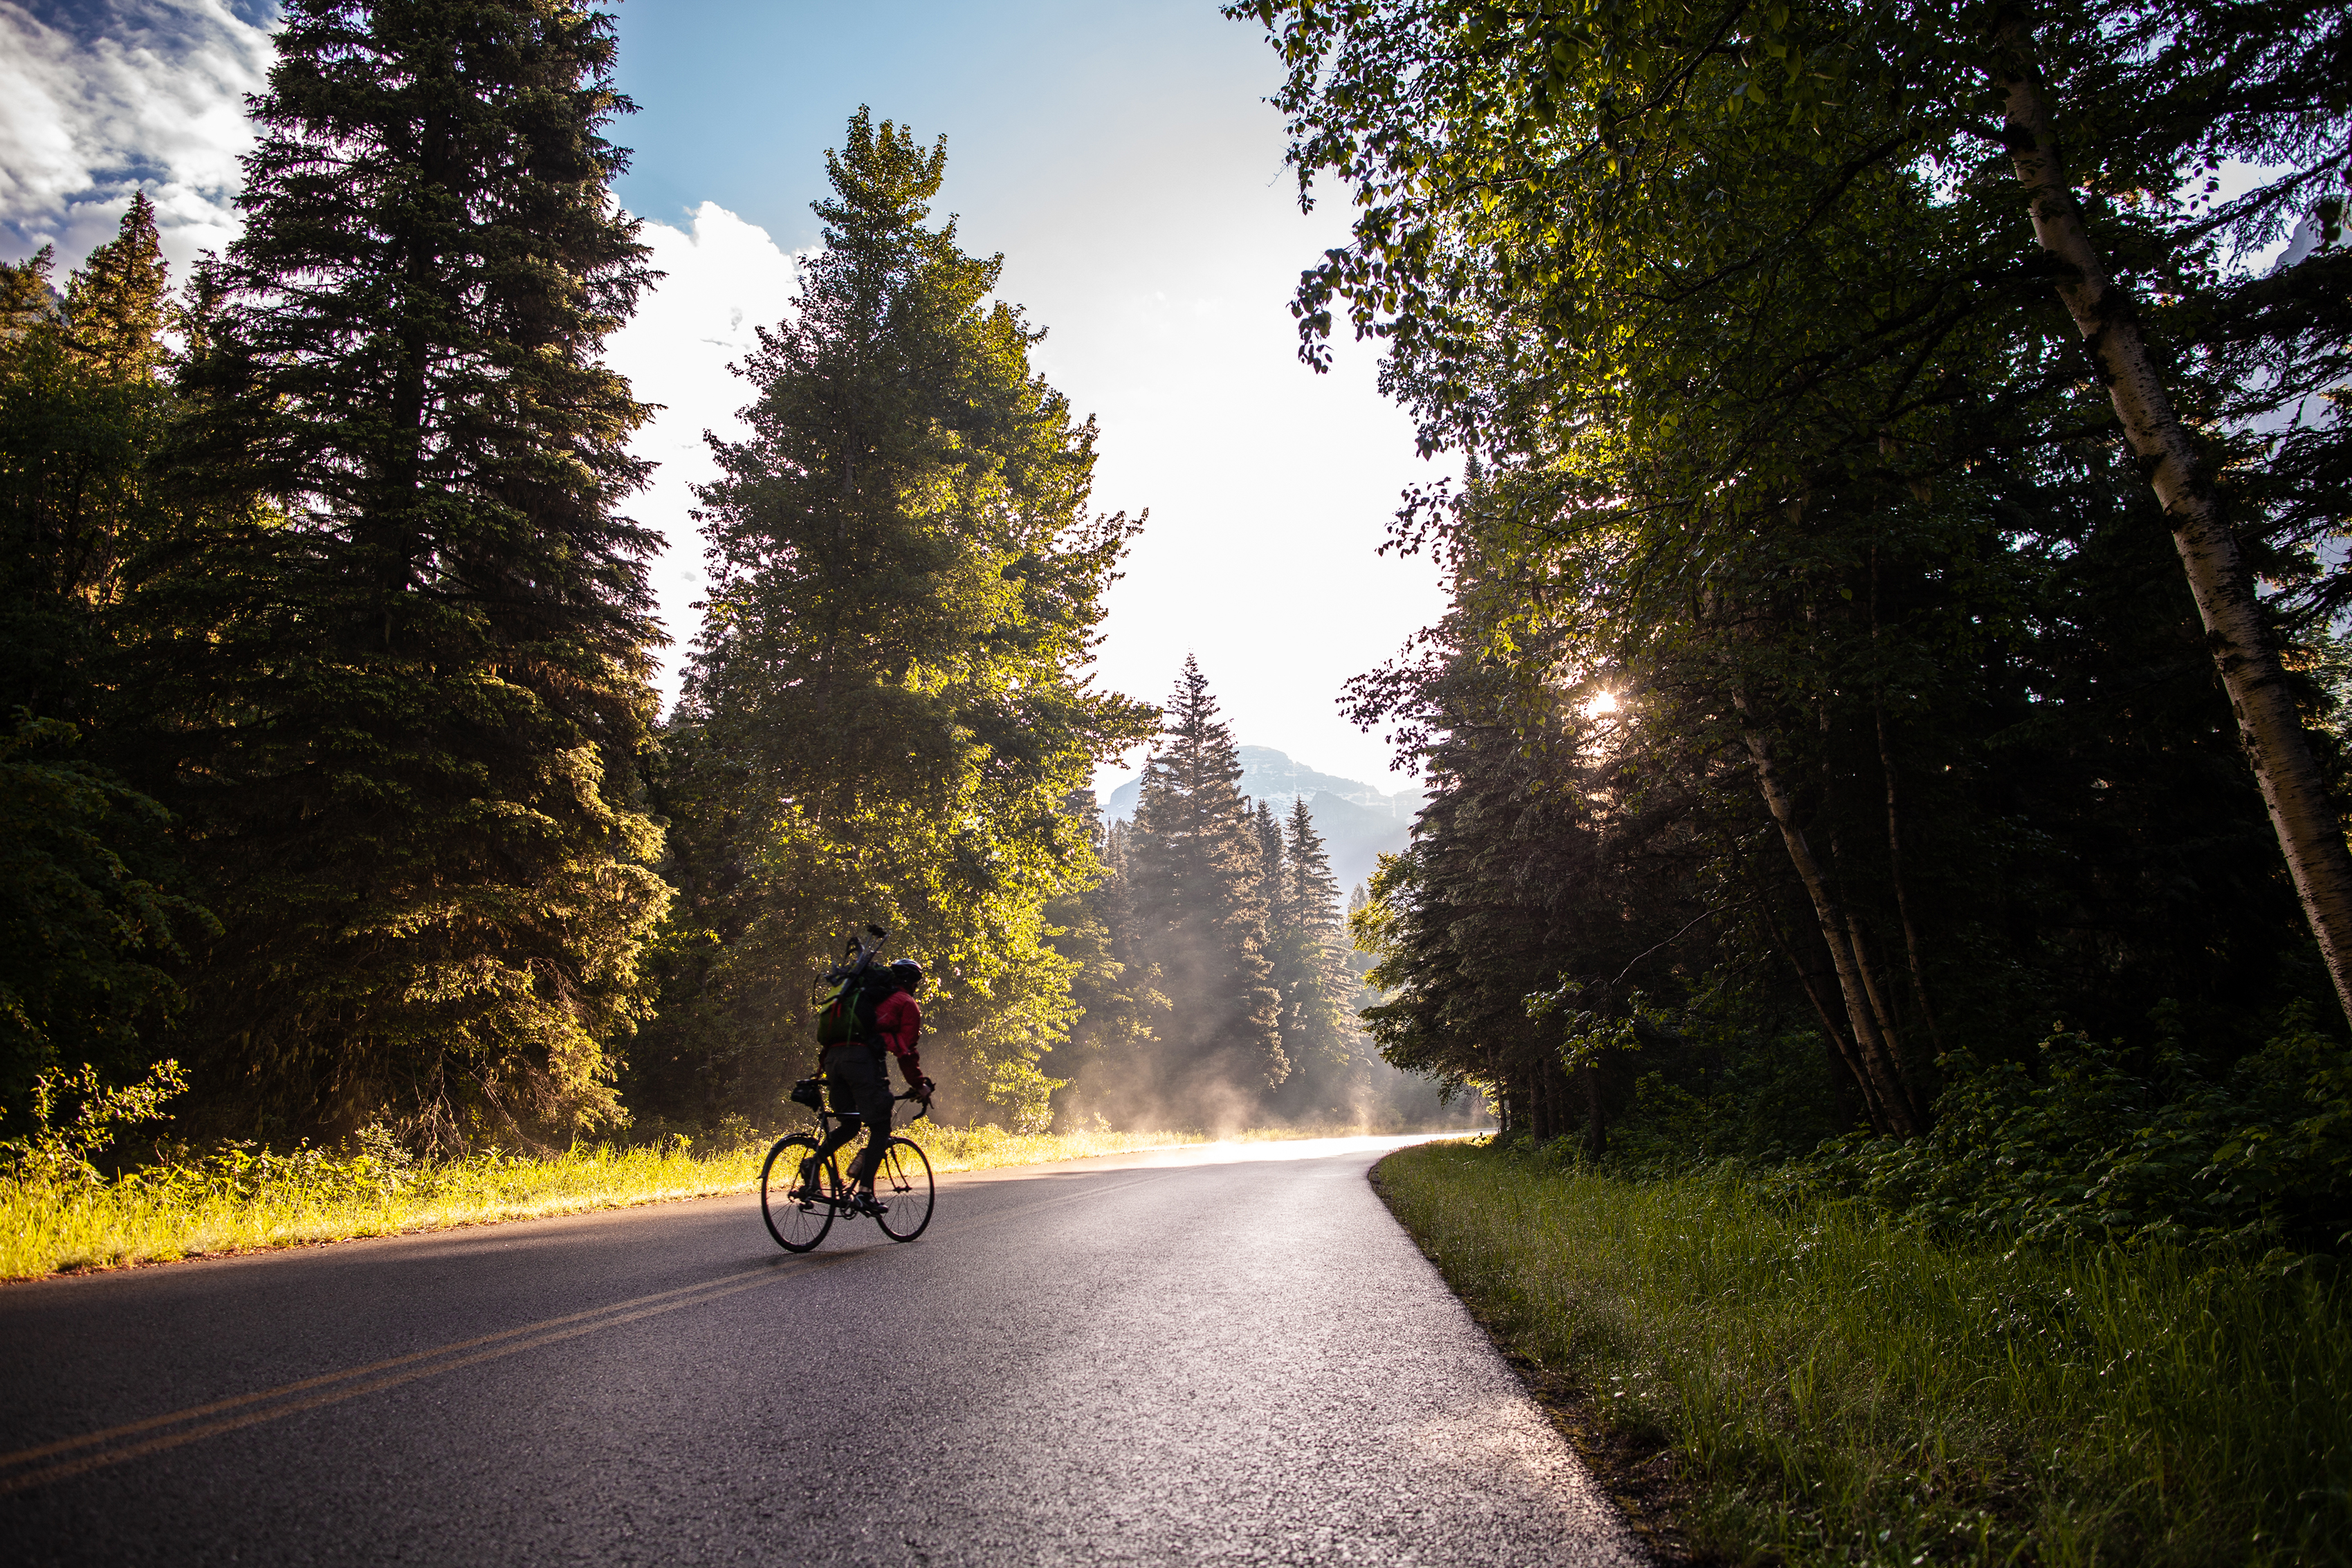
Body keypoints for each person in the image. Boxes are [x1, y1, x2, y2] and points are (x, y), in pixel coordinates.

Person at [810, 959, 933, 1209]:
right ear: (912, 983)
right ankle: (865, 1193)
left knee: (850, 1124)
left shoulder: (866, 997)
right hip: (859, 1061)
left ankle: (812, 1165)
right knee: (880, 1126)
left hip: (833, 1060)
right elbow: (906, 1051)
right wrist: (919, 1085)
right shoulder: (906, 1003)